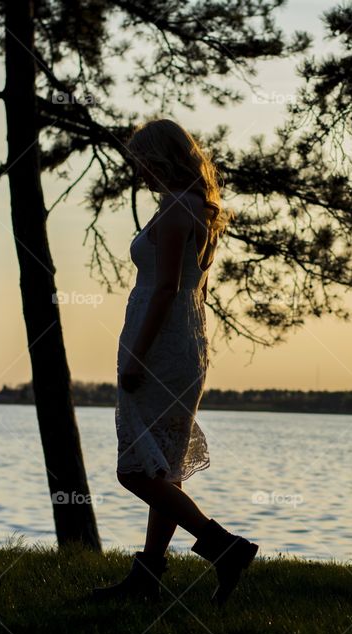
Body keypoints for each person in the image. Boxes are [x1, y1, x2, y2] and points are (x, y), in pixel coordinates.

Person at [93, 119, 258, 605]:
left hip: (161, 344)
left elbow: (166, 288)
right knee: (164, 466)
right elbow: (192, 291)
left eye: (142, 159)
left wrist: (137, 355)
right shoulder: (200, 210)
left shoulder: (174, 212)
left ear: (161, 157)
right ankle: (148, 575)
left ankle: (223, 547)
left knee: (135, 471)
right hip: (186, 342)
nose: (137, 169)